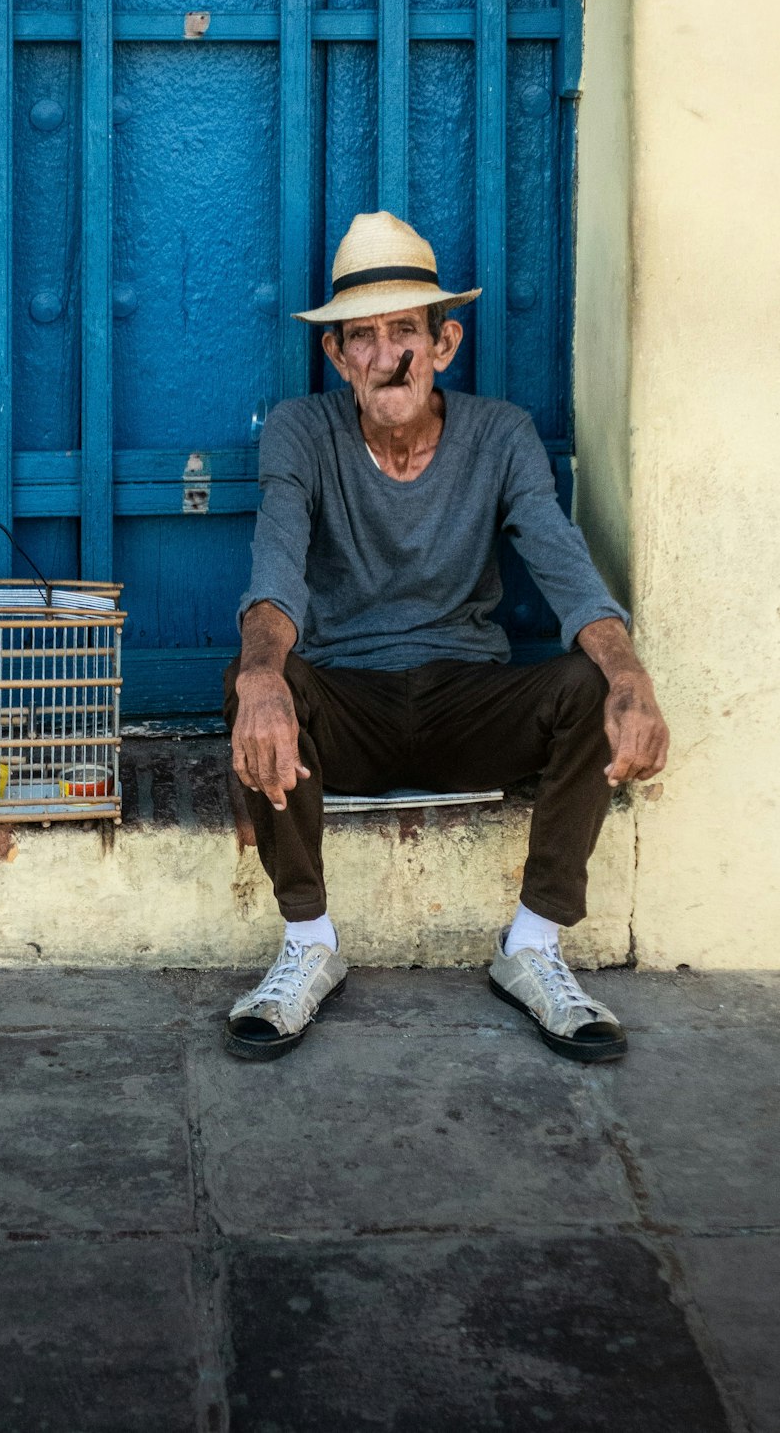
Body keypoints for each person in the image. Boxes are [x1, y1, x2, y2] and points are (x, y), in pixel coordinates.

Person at [223, 211, 668, 1064]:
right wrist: (264, 674)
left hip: (469, 704)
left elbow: (565, 566)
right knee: (252, 677)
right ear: (337, 356)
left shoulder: (500, 434)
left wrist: (628, 676)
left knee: (587, 683)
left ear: (444, 343)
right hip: (348, 708)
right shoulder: (300, 431)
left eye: (405, 332)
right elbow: (274, 569)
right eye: (363, 337)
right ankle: (310, 943)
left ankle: (533, 947)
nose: (387, 355)